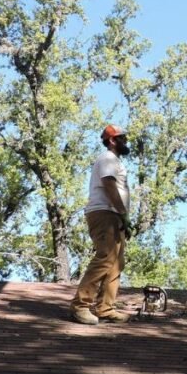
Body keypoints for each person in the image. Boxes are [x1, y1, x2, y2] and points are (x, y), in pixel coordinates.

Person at [70, 124, 135, 325]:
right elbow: (108, 184)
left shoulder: (114, 161)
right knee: (106, 257)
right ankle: (80, 306)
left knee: (116, 262)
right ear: (113, 140)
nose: (125, 142)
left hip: (113, 214)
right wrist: (123, 213)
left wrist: (122, 216)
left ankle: (105, 308)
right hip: (105, 213)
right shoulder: (107, 158)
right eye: (122, 138)